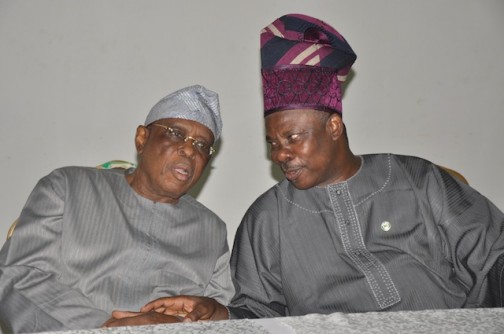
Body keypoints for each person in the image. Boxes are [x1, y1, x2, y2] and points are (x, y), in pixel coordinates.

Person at [140, 13, 504, 321]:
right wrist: (217, 313)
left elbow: (493, 253)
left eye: (293, 138)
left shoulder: (415, 177)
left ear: (333, 127)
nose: (280, 154)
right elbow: (254, 314)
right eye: (273, 143)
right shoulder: (266, 218)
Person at [0, 84, 234, 333]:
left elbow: (223, 311)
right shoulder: (67, 187)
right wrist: (106, 327)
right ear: (141, 139)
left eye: (201, 145)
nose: (189, 150)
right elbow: (18, 275)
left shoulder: (211, 229)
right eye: (176, 133)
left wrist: (208, 313)